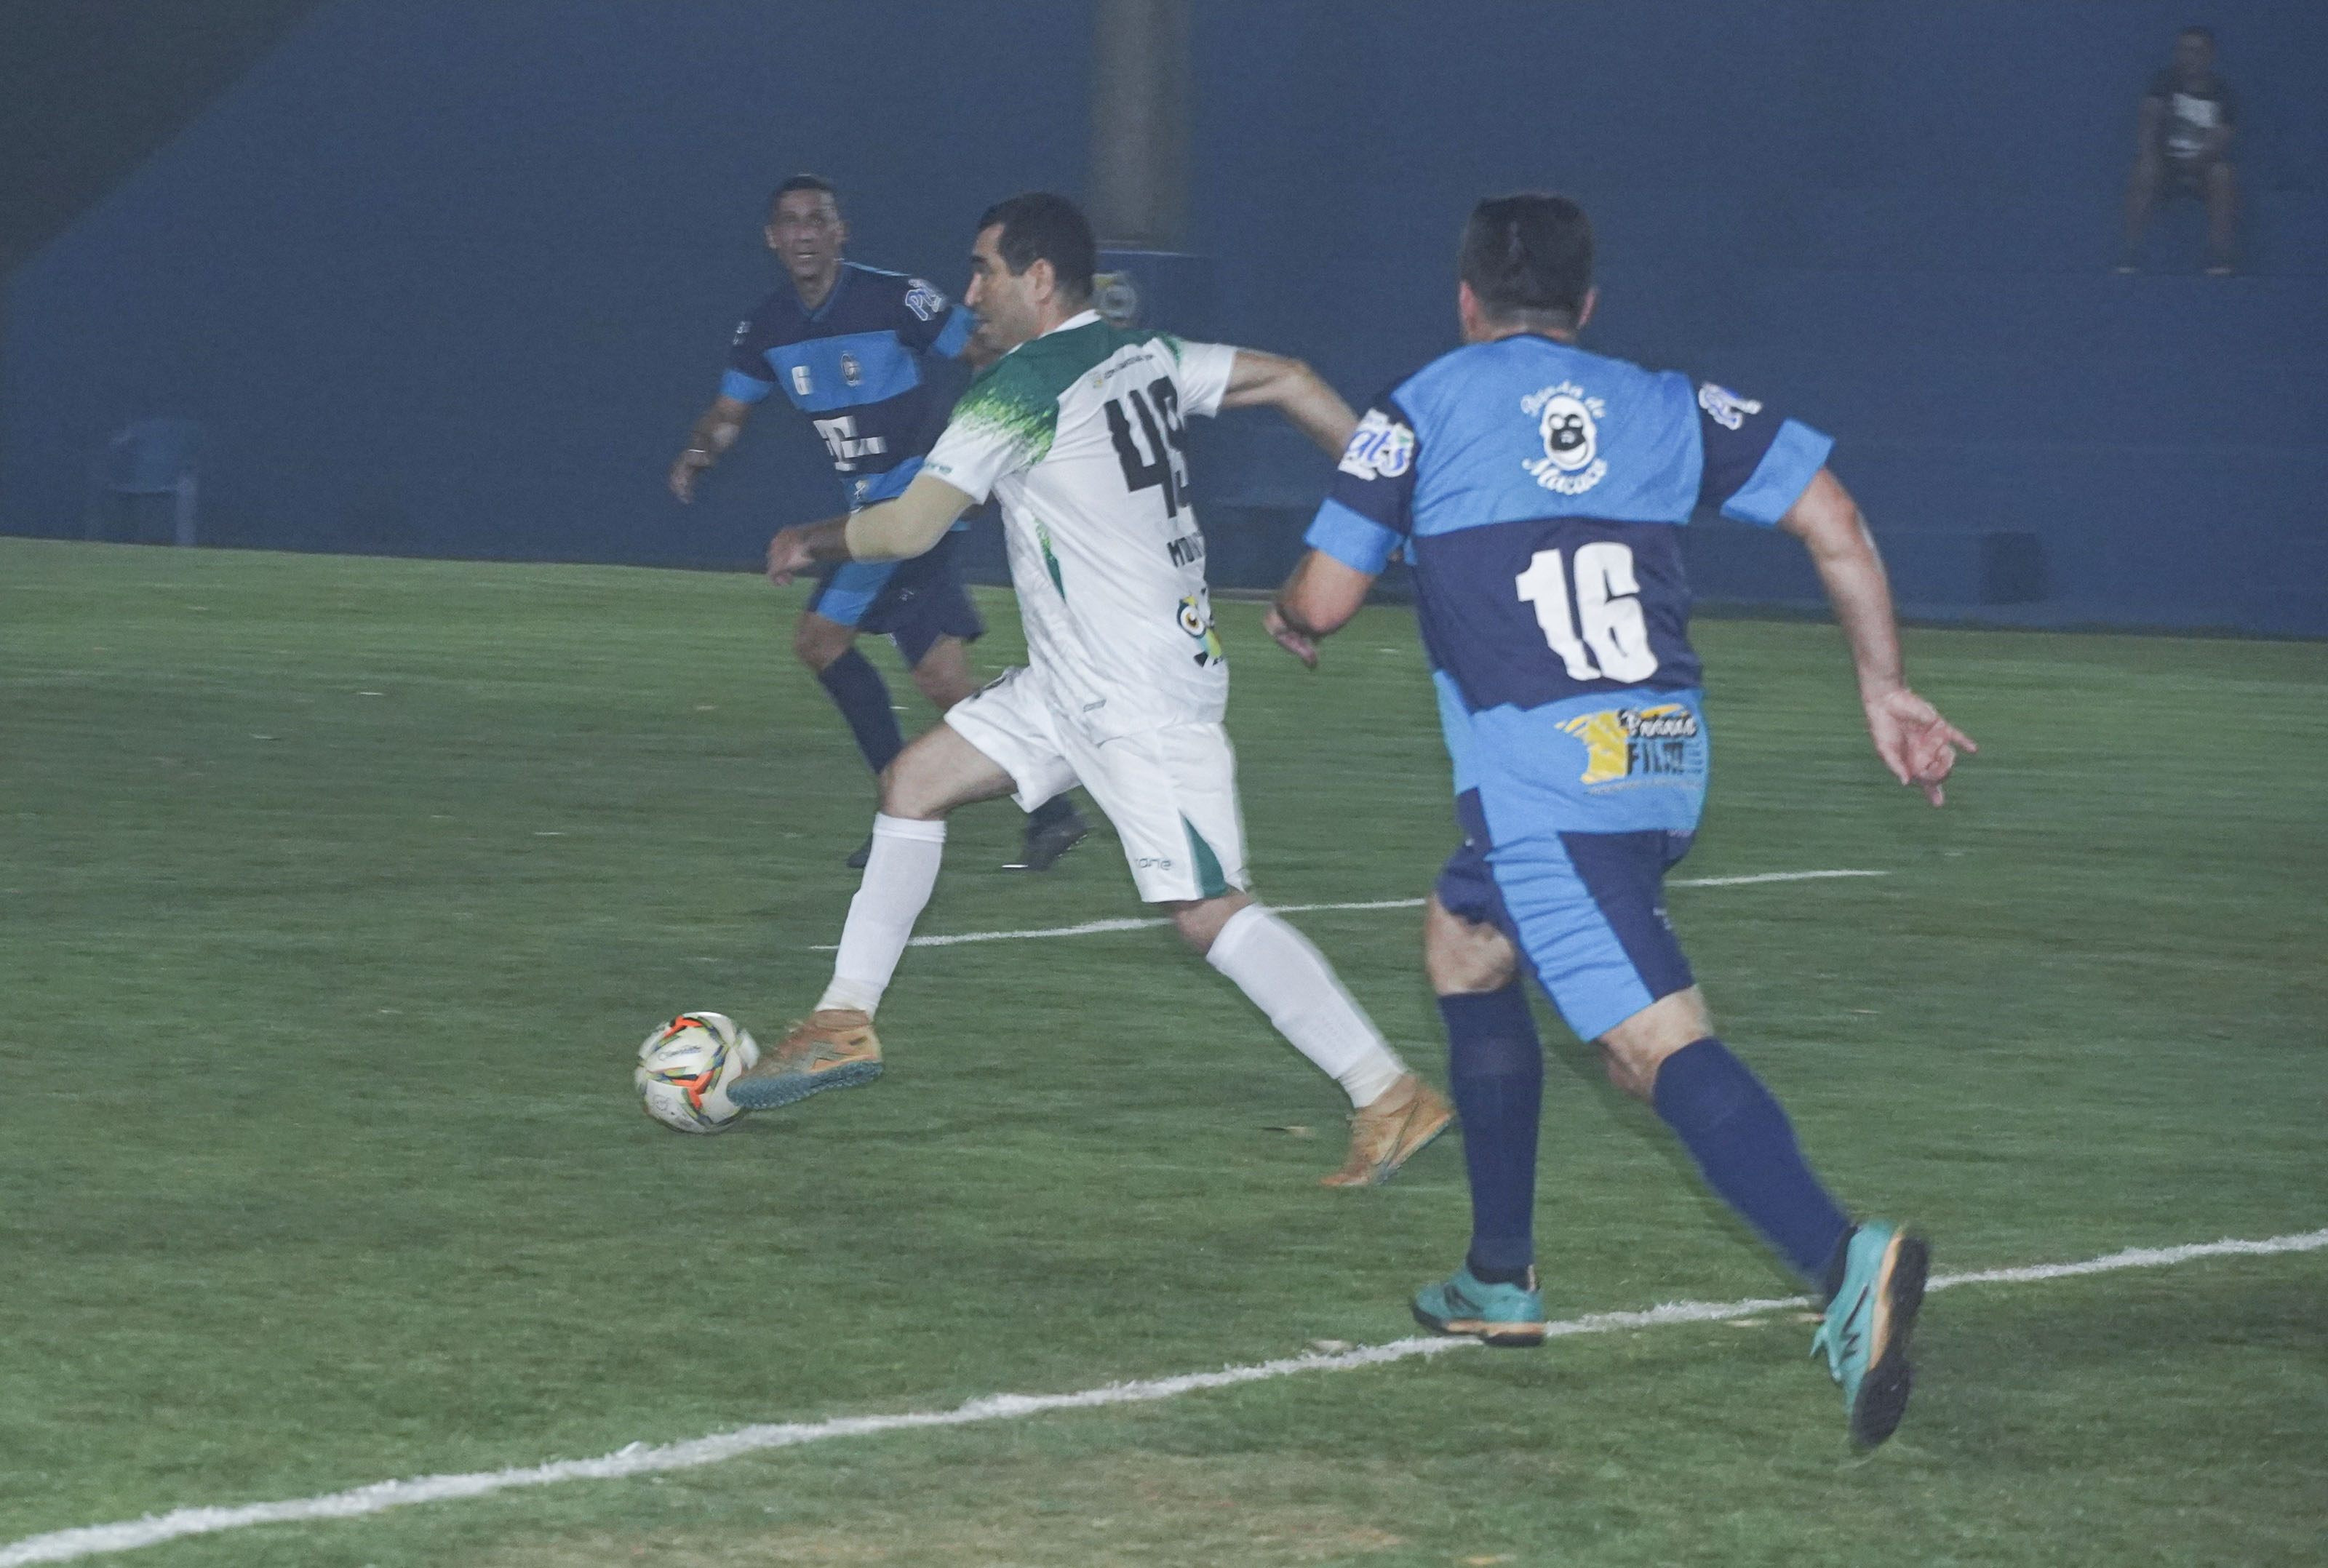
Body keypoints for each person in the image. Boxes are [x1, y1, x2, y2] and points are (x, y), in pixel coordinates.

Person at [1264, 193, 1976, 1446]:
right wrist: (1884, 685)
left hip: (1551, 791)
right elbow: (1838, 522)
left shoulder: (1419, 407)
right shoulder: (1669, 402)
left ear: (1466, 301)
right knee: (1462, 941)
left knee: (1651, 1048)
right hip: (1660, 761)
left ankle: (1841, 1255)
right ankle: (1498, 1273)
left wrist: (1291, 612)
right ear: (1588, 308)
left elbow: (1322, 599)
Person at [744, 191, 1452, 1188]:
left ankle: (1389, 1092)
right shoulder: (1142, 351)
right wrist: (1390, 511)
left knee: (1207, 912)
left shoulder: (1020, 384)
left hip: (1135, 694)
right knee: (914, 783)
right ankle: (841, 1021)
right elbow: (1291, 378)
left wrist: (812, 538)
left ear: (1039, 280)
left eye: (985, 270)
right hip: (1074, 679)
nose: (971, 292)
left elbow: (907, 531)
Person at [670, 174, 1089, 870]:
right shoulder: (768, 327)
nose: (805, 234)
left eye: (818, 220)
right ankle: (1050, 810)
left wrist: (992, 442)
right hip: (875, 511)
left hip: (914, 503)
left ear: (841, 233)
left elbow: (984, 351)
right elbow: (726, 415)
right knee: (940, 675)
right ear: (773, 239)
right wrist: (697, 453)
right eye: (791, 223)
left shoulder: (896, 298)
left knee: (821, 640)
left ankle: (906, 809)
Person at [2119, 26, 2238, 276]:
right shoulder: (2163, 82)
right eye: (2183, 50)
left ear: (2210, 55)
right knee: (2144, 168)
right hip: (2166, 164)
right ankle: (2129, 252)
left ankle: (2219, 256)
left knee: (2223, 174)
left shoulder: (2223, 93)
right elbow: (2148, 123)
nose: (2188, 57)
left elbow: (2222, 137)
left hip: (2203, 166)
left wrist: (2200, 159)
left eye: (2196, 51)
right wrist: (2149, 154)